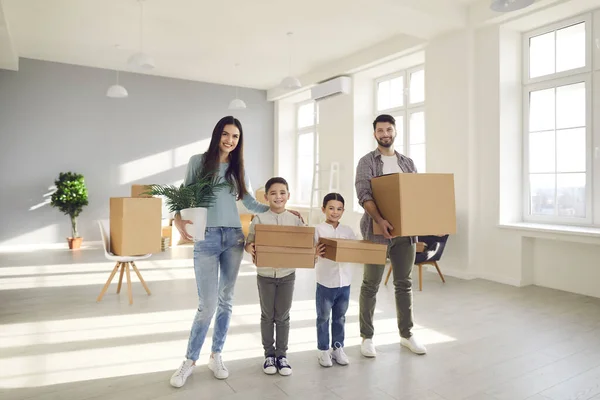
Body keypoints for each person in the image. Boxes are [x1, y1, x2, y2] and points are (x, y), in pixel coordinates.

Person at [169, 117, 302, 388]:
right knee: (206, 305)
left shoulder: (238, 167)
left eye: (236, 137)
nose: (230, 140)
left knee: (226, 301)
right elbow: (184, 196)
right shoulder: (198, 161)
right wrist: (177, 219)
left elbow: (250, 201)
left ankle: (216, 354)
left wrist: (281, 210)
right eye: (226, 134)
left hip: (233, 239)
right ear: (218, 134)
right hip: (205, 238)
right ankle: (189, 361)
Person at [354, 114, 427, 358]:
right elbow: (364, 194)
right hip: (376, 232)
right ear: (374, 134)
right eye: (380, 130)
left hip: (404, 233)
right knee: (370, 284)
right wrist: (380, 220)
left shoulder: (407, 163)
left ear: (395, 131)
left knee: (404, 284)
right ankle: (367, 336)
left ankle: (406, 334)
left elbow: (416, 196)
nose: (385, 134)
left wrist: (428, 222)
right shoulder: (367, 162)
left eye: (389, 129)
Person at [245, 177, 304, 377]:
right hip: (265, 275)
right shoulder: (259, 219)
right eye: (273, 193)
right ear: (266, 197)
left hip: (288, 274)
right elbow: (249, 242)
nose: (278, 197)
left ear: (288, 195)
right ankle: (269, 355)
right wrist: (249, 246)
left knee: (283, 316)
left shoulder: (295, 219)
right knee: (267, 315)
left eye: (282, 192)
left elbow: (305, 242)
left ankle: (282, 355)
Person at [313, 193, 356, 367]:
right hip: (325, 282)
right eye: (331, 208)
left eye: (339, 209)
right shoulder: (318, 230)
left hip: (344, 282)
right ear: (323, 209)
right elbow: (311, 254)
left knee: (340, 317)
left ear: (343, 211)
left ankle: (338, 347)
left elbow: (354, 251)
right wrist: (314, 252)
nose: (335, 212)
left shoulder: (348, 231)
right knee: (323, 317)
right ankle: (323, 350)